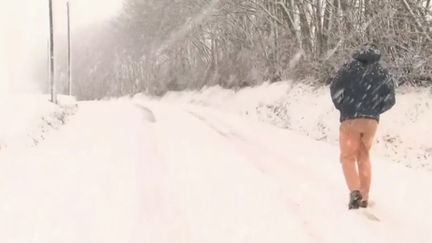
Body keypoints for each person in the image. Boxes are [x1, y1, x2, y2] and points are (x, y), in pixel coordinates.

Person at [330, 43, 396, 209]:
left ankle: (354, 192)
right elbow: (390, 99)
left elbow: (335, 89)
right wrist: (375, 110)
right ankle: (364, 197)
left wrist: (343, 106)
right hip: (371, 121)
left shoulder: (348, 69)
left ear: (357, 54)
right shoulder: (382, 72)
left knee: (347, 156)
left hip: (350, 117)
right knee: (364, 156)